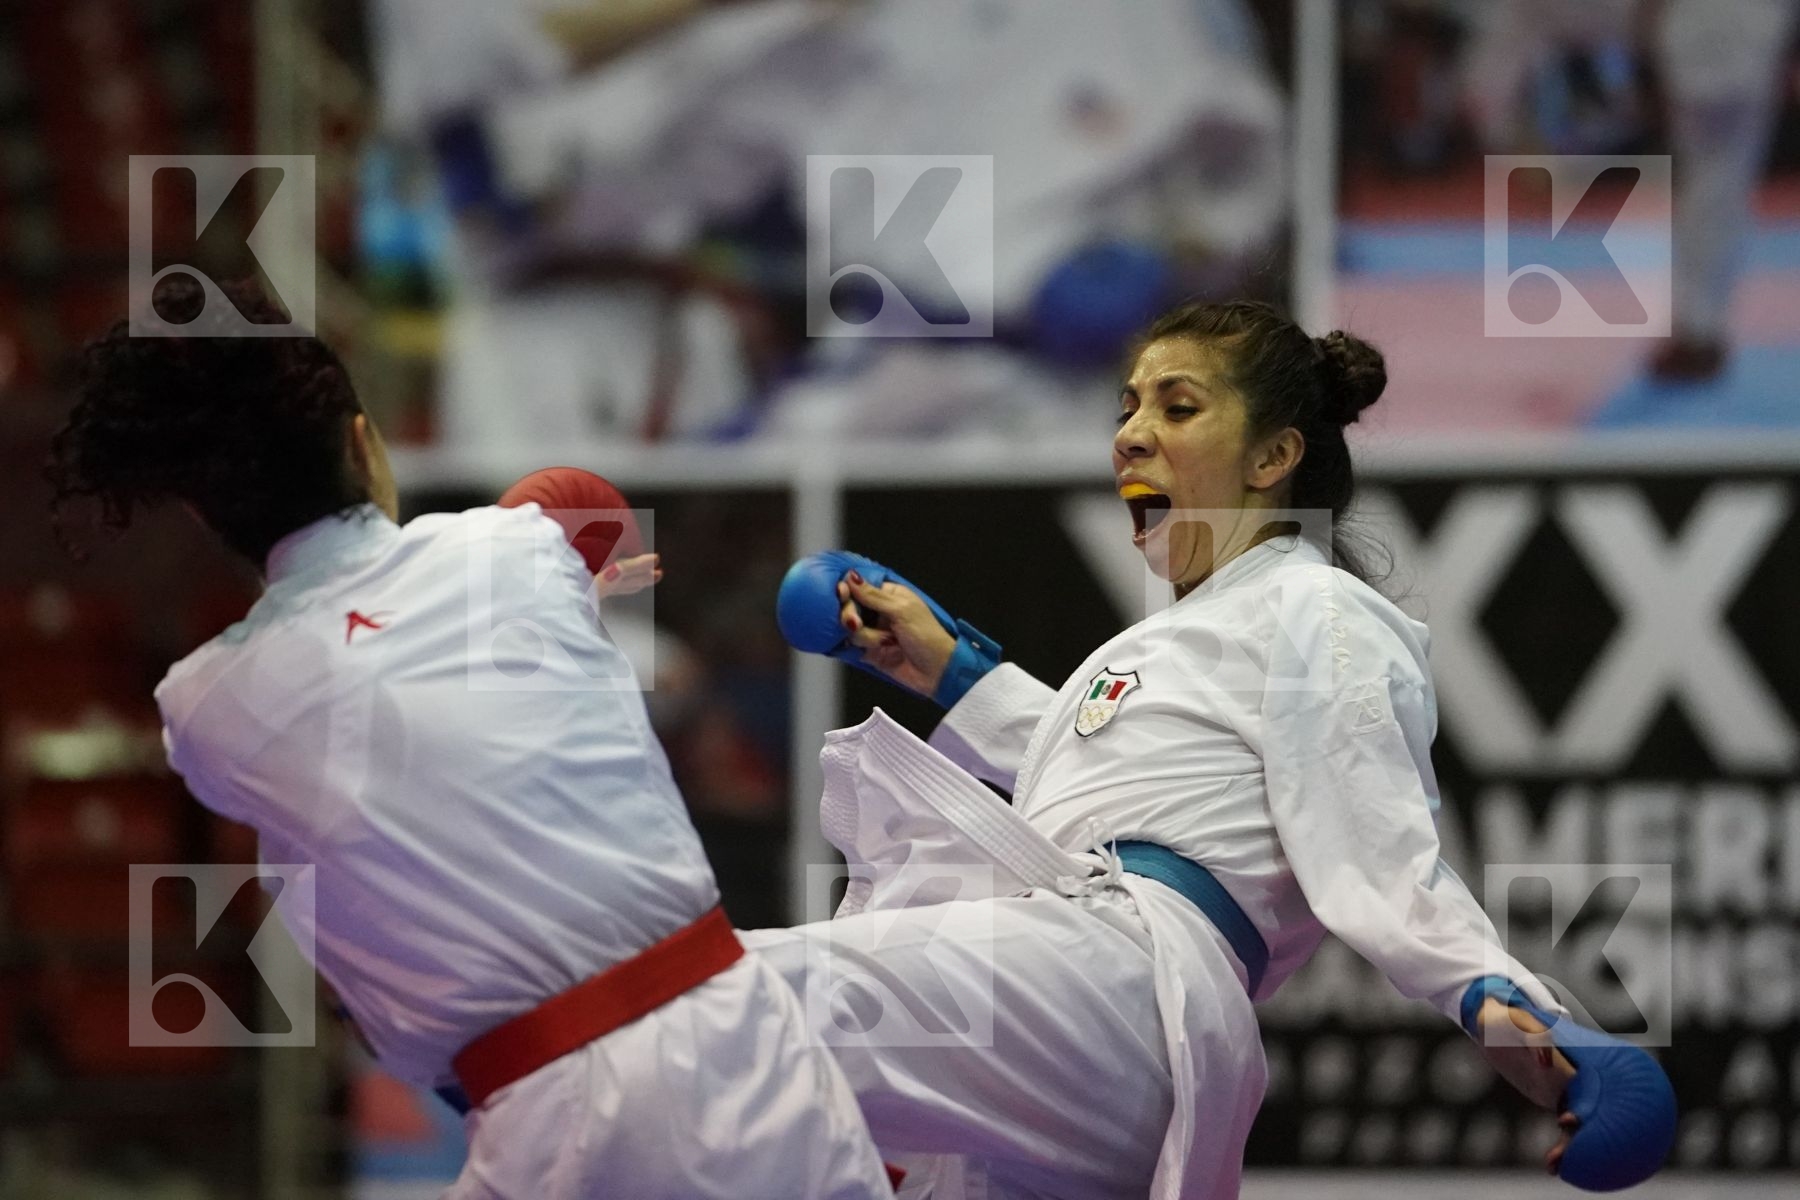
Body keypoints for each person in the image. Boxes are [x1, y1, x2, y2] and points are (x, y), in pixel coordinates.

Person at [759, 300, 1672, 1198]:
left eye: (1177, 407)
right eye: (1126, 409)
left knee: (728, 1010)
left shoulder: (1320, 607)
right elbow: (1113, 781)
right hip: (1109, 1026)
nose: (1129, 435)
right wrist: (951, 670)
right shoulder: (1179, 637)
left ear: (1274, 456)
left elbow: (1381, 852)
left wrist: (1510, 1006)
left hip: (1118, 977)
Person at [46, 278, 893, 1200]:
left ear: (206, 516)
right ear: (362, 445)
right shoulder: (517, 551)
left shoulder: (205, 707)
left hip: (541, 1115)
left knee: (299, 852)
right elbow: (565, 526)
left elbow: (376, 709)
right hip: (731, 1043)